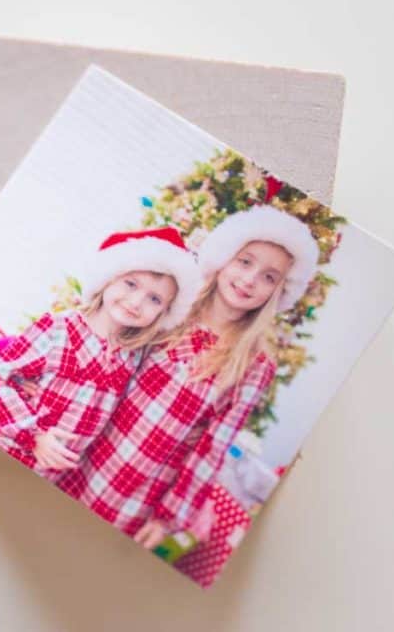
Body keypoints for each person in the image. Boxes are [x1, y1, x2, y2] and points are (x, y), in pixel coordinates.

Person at [55, 206, 319, 547]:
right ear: (224, 257)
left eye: (269, 276)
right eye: (245, 261)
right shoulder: (173, 306)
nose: (250, 279)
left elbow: (213, 446)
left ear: (279, 290)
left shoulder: (254, 363)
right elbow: (104, 347)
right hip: (80, 446)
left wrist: (169, 517)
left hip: (135, 491)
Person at [0, 227, 201, 478]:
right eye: (131, 283)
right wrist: (33, 435)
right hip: (1, 454)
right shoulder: (60, 329)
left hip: (46, 477)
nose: (136, 302)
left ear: (164, 312)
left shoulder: (131, 358)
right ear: (109, 279)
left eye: (155, 299)